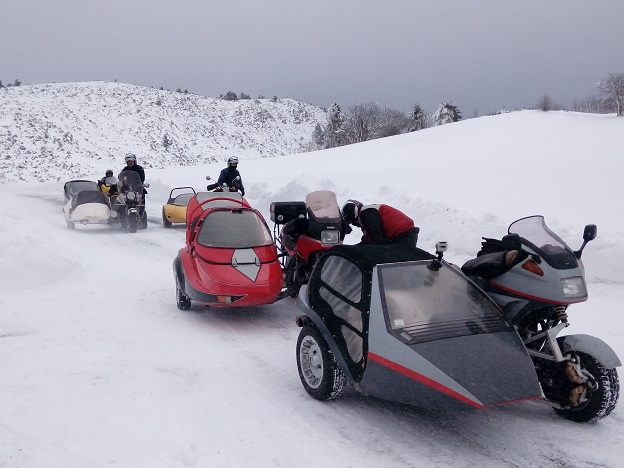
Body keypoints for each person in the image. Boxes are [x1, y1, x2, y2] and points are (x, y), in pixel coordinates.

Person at [341, 199, 419, 246]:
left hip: (403, 236)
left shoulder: (367, 212)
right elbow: (368, 240)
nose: (354, 224)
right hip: (403, 235)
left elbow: (377, 239)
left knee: (396, 264)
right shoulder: (368, 213)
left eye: (352, 221)